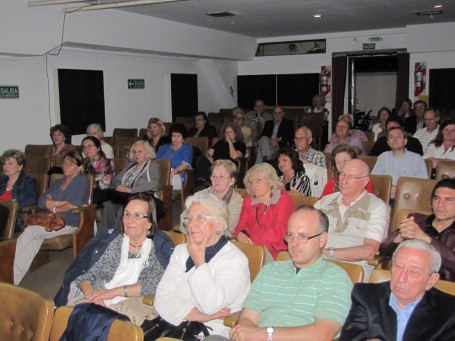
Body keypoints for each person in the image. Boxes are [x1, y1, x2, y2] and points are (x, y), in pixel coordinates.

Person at [227, 206, 352, 341]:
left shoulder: (335, 277)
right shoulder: (269, 270)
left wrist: (266, 335)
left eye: (303, 236)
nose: (294, 243)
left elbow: (323, 334)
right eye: (290, 235)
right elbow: (247, 318)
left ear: (322, 239)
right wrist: (245, 333)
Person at [154, 192, 251, 337]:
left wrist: (200, 262)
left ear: (220, 224)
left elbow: (210, 305)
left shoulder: (235, 260)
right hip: (172, 324)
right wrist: (199, 315)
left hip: (211, 332)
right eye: (190, 219)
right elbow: (161, 296)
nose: (192, 224)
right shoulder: (181, 251)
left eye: (200, 218)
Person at [340, 239, 455, 341]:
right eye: (398, 267)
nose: (401, 278)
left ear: (431, 280)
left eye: (413, 272)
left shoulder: (449, 311)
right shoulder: (366, 295)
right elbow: (351, 337)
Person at [70, 194, 165, 311]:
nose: (130, 220)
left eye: (138, 215)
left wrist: (113, 292)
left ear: (150, 222)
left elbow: (154, 283)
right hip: (97, 297)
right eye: (127, 214)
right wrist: (91, 296)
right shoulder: (115, 243)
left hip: (127, 305)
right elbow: (88, 275)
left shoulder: (158, 249)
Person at [14, 150, 90, 285]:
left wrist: (54, 206)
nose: (66, 166)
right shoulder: (57, 182)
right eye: (65, 162)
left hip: (69, 222)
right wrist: (60, 204)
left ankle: (7, 271)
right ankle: (13, 279)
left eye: (71, 164)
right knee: (33, 241)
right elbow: (41, 201)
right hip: (50, 222)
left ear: (79, 167)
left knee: (30, 231)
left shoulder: (82, 181)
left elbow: (75, 204)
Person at [315, 159, 389, 280]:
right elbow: (306, 233)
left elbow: (369, 251)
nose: (344, 181)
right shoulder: (325, 202)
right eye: (342, 174)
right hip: (318, 266)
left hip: (351, 271)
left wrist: (327, 253)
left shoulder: (377, 207)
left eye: (351, 177)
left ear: (365, 181)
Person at [380, 178, 455, 281]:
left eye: (448, 199)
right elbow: (384, 252)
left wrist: (427, 239)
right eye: (436, 198)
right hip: (408, 280)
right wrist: (400, 237)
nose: (440, 204)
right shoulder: (417, 221)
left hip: (445, 287)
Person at [234, 163, 295, 260]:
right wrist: (240, 235)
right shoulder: (249, 200)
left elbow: (278, 234)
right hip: (251, 247)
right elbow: (241, 225)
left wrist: (251, 239)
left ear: (271, 181)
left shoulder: (283, 199)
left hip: (277, 253)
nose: (254, 186)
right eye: (251, 182)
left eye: (258, 180)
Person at [99, 140, 160, 233]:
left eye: (140, 152)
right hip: (125, 196)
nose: (137, 154)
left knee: (123, 210)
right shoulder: (130, 165)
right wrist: (119, 186)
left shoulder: (152, 165)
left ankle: (118, 237)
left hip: (142, 197)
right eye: (134, 152)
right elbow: (116, 179)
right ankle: (104, 235)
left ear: (147, 152)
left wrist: (131, 190)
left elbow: (154, 183)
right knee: (109, 206)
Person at [181, 160, 243, 237]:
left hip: (221, 240)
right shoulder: (200, 195)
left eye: (221, 177)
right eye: (214, 176)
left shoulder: (237, 201)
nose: (217, 180)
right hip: (194, 235)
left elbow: (227, 227)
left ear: (231, 181)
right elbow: (184, 218)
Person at [372, 127, 428, 200]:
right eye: (391, 137)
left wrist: (398, 189)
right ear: (388, 142)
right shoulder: (383, 157)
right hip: (384, 197)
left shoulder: (417, 159)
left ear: (405, 141)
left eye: (398, 136)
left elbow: (422, 184)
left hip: (407, 199)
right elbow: (375, 180)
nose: (394, 139)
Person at [0, 149, 38, 232]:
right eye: (4, 163)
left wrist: (10, 206)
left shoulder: (28, 181)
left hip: (16, 218)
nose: (6, 166)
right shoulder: (1, 179)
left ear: (20, 166)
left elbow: (32, 201)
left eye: (10, 163)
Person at [156, 123, 193, 191]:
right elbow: (156, 163)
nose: (175, 138)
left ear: (183, 138)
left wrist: (172, 173)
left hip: (177, 175)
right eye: (173, 136)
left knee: (160, 187)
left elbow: (185, 165)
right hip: (161, 174)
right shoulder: (163, 148)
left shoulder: (187, 148)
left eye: (178, 136)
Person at [81, 136, 115, 206]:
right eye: (84, 147)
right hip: (87, 192)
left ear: (98, 148)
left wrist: (87, 185)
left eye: (89, 146)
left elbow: (105, 185)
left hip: (102, 193)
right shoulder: (83, 163)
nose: (87, 149)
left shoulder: (108, 162)